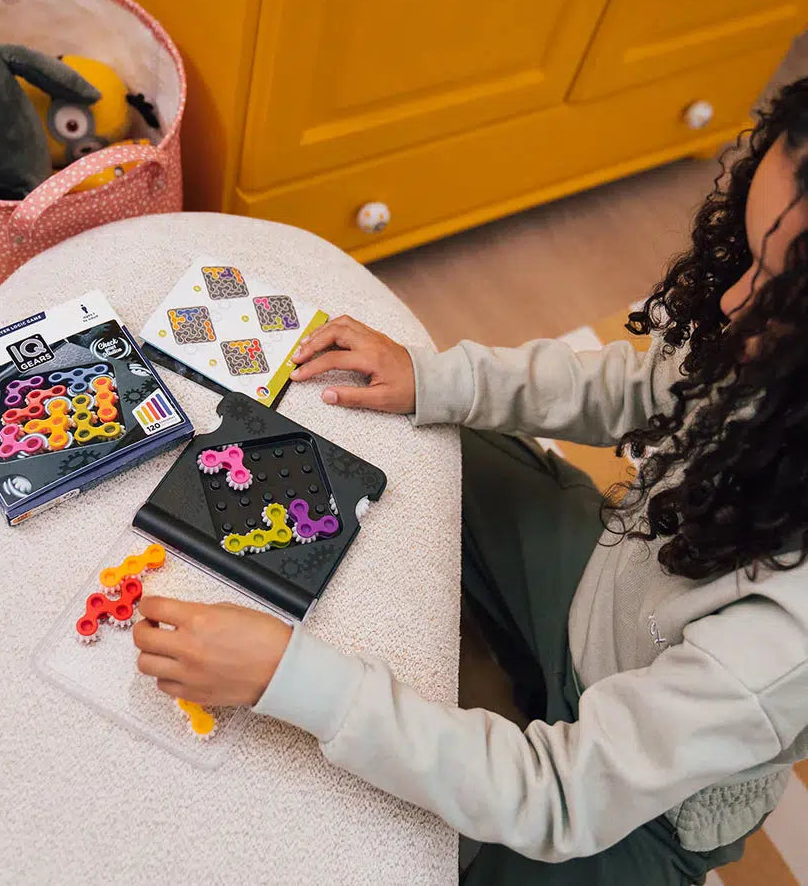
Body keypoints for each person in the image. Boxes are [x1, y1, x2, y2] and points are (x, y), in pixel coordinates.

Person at [133, 78, 808, 884]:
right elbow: (640, 386)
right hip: (605, 590)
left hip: (647, 807)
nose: (733, 303)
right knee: (425, 444)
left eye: (780, 294)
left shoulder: (788, 639)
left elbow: (559, 795)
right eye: (751, 260)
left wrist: (295, 680)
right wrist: (433, 380)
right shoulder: (760, 356)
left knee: (443, 862)